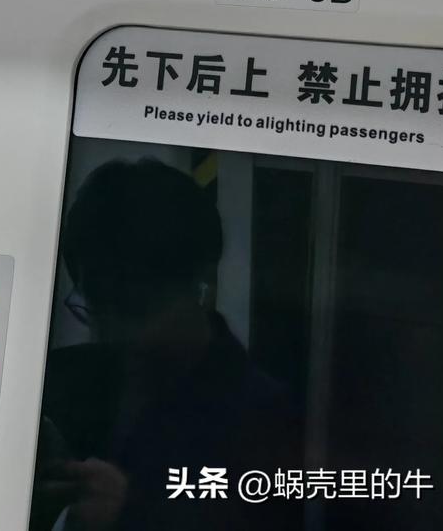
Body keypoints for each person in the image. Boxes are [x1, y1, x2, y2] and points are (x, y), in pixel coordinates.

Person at [31, 158, 301, 529]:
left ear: (201, 283)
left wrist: (130, 518)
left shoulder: (264, 418)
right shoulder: (57, 385)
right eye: (96, 308)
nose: (115, 333)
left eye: (137, 308)